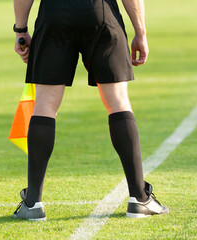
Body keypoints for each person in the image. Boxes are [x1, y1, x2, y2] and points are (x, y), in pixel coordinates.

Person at [12, 0, 168, 221]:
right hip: (100, 12)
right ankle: (139, 198)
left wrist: (21, 29)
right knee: (118, 101)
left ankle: (33, 203)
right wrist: (140, 31)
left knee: (45, 103)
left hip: (54, 13)